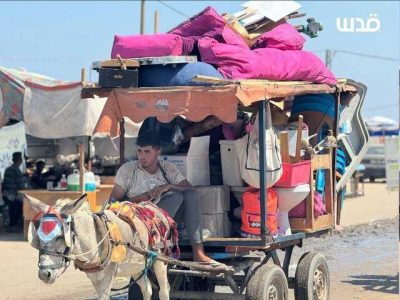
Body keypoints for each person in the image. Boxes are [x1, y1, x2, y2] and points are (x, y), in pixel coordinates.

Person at [110, 132, 214, 264]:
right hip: (140, 222)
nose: (142, 156)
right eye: (139, 151)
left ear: (157, 151)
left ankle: (198, 252)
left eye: (147, 152)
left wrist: (169, 186)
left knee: (187, 195)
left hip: (168, 220)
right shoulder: (128, 170)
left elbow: (191, 189)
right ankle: (157, 245)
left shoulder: (167, 168)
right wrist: (140, 199)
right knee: (175, 196)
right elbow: (113, 203)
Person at [2, 152, 27, 230]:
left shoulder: (8, 169)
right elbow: (21, 186)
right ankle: (16, 224)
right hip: (11, 195)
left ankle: (15, 224)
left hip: (6, 194)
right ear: (20, 160)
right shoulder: (16, 170)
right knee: (26, 203)